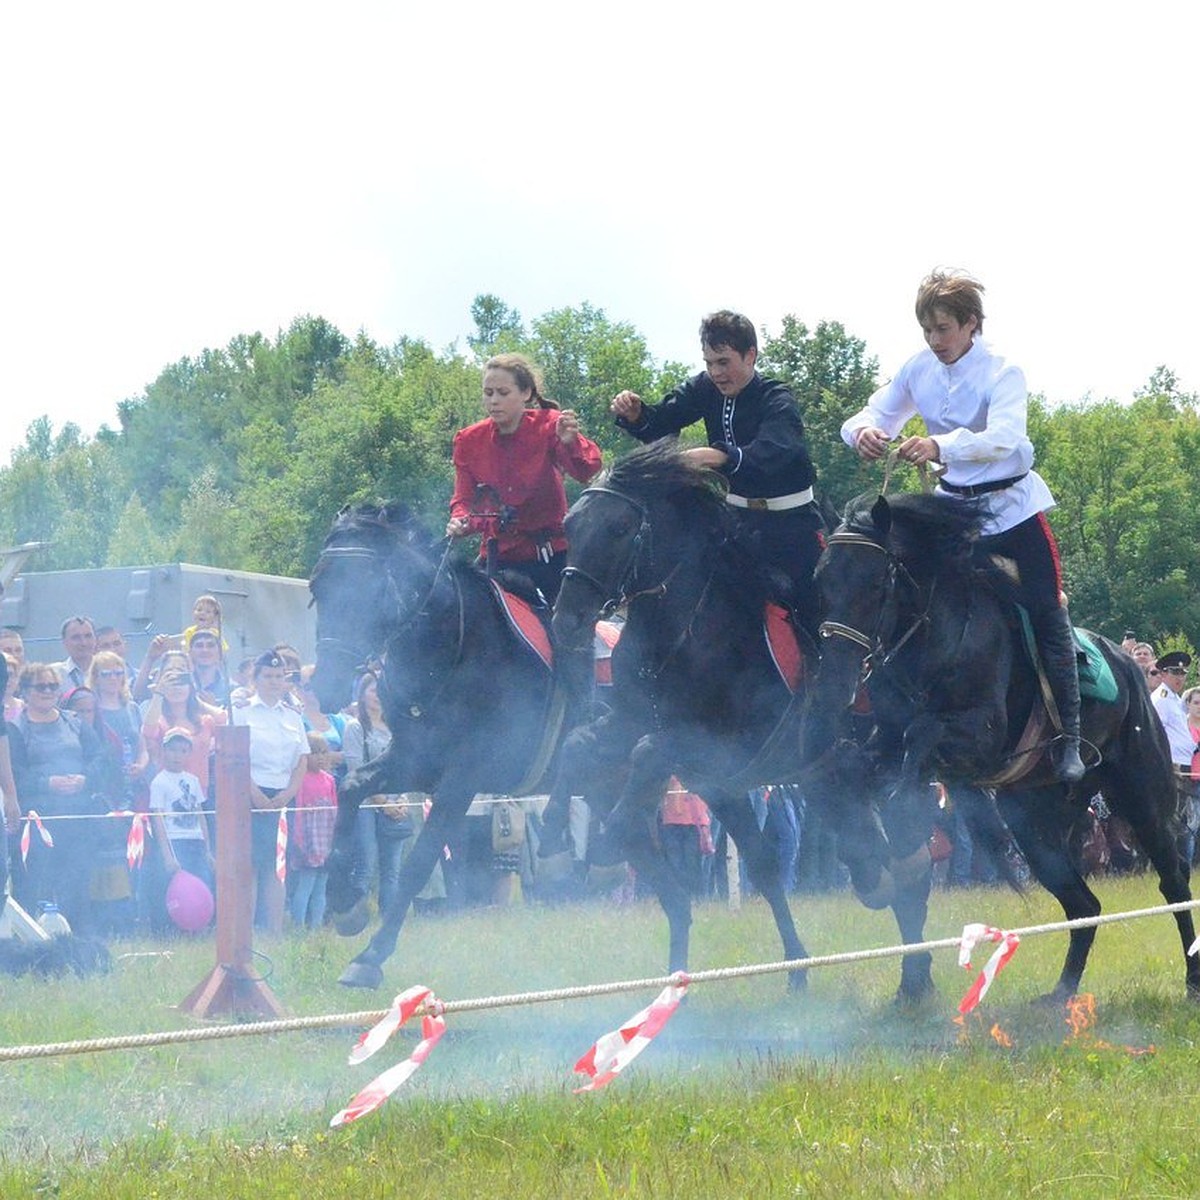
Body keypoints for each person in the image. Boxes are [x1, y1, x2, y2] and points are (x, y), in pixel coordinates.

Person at [842, 270, 1085, 782]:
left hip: (1013, 512)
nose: (935, 341)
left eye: (944, 329)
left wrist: (939, 445)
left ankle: (1070, 737)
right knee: (911, 593)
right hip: (951, 513)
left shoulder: (1003, 370)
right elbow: (873, 413)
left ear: (971, 324)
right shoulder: (917, 367)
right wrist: (862, 433)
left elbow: (1005, 437)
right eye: (928, 330)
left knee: (1046, 607)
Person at [611, 310, 824, 630]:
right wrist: (637, 415)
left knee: (810, 613)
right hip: (736, 523)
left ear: (750, 355)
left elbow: (776, 451)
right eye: (709, 362)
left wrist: (718, 456)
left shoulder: (777, 398)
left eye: (723, 362)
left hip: (791, 528)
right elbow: (663, 425)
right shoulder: (704, 387)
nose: (715, 372)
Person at [447, 352, 602, 602]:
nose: (494, 401)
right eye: (488, 393)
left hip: (551, 558)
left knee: (567, 632)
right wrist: (460, 521)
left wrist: (571, 442)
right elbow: (463, 499)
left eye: (503, 393)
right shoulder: (468, 440)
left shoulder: (550, 425)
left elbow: (587, 471)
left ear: (526, 393)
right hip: (497, 559)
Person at [7, 663, 107, 931]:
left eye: (53, 686)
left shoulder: (75, 722)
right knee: (34, 882)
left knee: (75, 882)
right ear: (25, 691)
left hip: (77, 818)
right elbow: (12, 772)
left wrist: (85, 778)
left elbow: (100, 758)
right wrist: (46, 783)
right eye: (41, 686)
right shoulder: (14, 728)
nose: (49, 691)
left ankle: (78, 939)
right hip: (36, 821)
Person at [232, 650, 308, 932]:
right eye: (268, 676)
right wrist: (254, 794)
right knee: (250, 867)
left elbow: (302, 760)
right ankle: (246, 932)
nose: (274, 681)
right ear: (256, 678)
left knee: (277, 868)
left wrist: (288, 794)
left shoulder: (292, 717)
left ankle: (275, 931)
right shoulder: (242, 712)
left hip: (282, 797)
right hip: (249, 795)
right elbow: (236, 759)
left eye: (279, 676)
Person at [147, 727, 214, 930]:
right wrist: (168, 855)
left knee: (201, 884)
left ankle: (199, 927)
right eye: (173, 750)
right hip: (174, 841)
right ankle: (171, 929)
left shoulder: (193, 781)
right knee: (175, 889)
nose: (178, 755)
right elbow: (158, 818)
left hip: (195, 841)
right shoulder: (159, 782)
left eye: (183, 751)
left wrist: (207, 849)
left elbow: (200, 814)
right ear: (164, 750)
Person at [1149, 651, 1194, 868]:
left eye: (1183, 673)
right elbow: (1155, 735)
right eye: (1175, 672)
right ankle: (1175, 865)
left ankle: (1182, 863)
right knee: (1175, 821)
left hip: (1185, 766)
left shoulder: (1175, 700)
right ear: (1163, 674)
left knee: (1185, 821)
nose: (1180, 677)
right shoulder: (1161, 699)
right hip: (1172, 767)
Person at [289, 731, 338, 929]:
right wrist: (298, 839)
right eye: (314, 752)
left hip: (326, 839)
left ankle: (316, 927)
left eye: (323, 752)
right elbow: (298, 811)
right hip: (309, 840)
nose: (320, 757)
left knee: (321, 887)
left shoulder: (330, 780)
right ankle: (298, 927)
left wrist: (336, 839)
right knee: (305, 885)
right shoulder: (300, 779)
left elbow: (335, 811)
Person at [53, 615, 97, 693]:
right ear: (64, 642)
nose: (84, 643)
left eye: (88, 636)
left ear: (95, 639)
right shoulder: (54, 674)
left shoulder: (110, 672)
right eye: (76, 637)